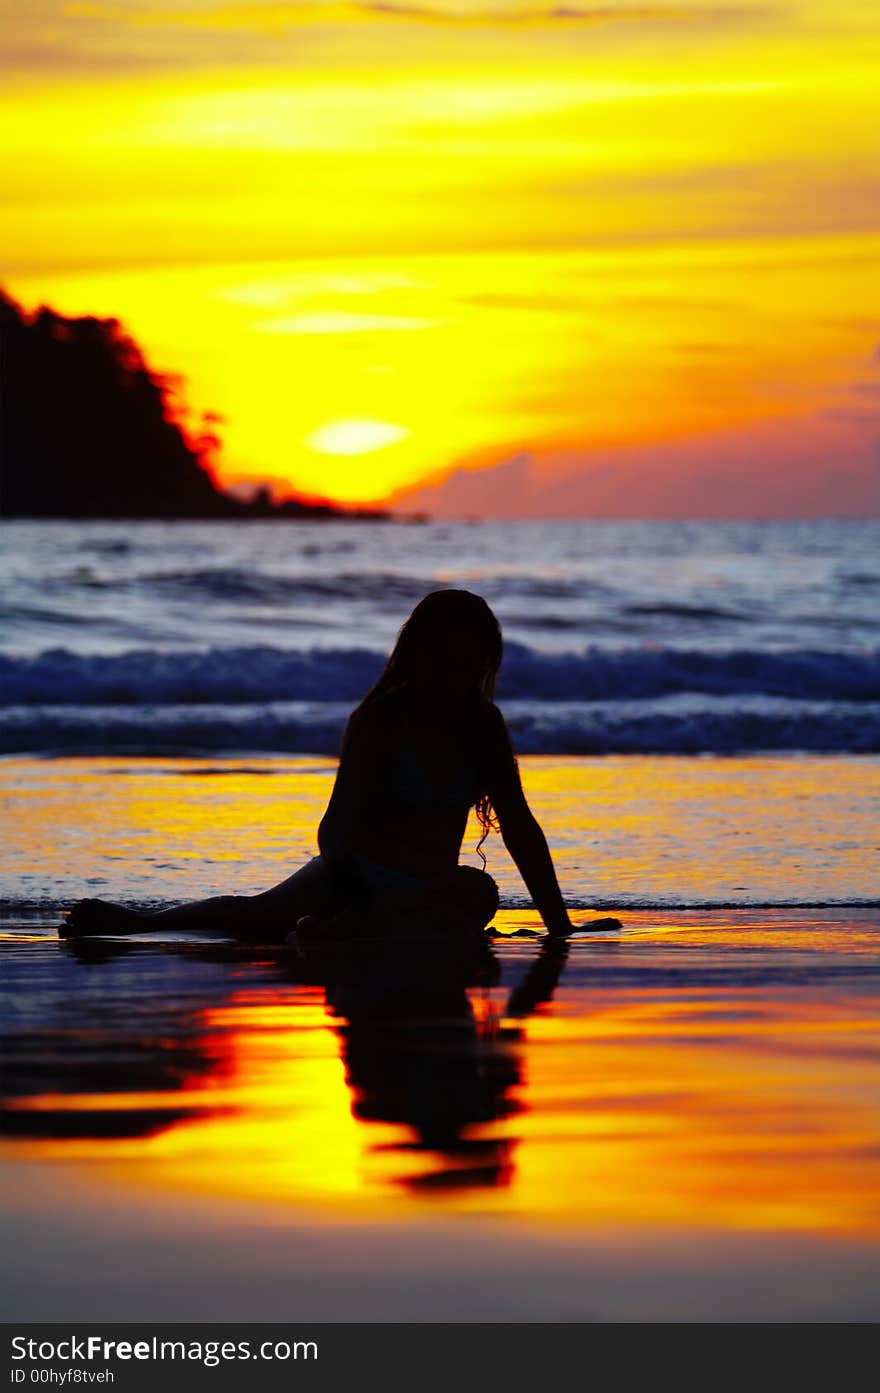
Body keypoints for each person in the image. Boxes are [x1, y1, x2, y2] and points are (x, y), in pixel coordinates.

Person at [61, 590, 620, 944]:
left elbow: (519, 825)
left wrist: (559, 925)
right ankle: (135, 924)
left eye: (471, 660)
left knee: (479, 893)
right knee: (253, 920)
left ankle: (346, 935)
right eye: (446, 657)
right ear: (419, 653)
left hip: (425, 891)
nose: (457, 671)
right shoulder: (380, 718)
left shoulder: (483, 725)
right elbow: (335, 830)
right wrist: (365, 888)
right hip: (353, 872)